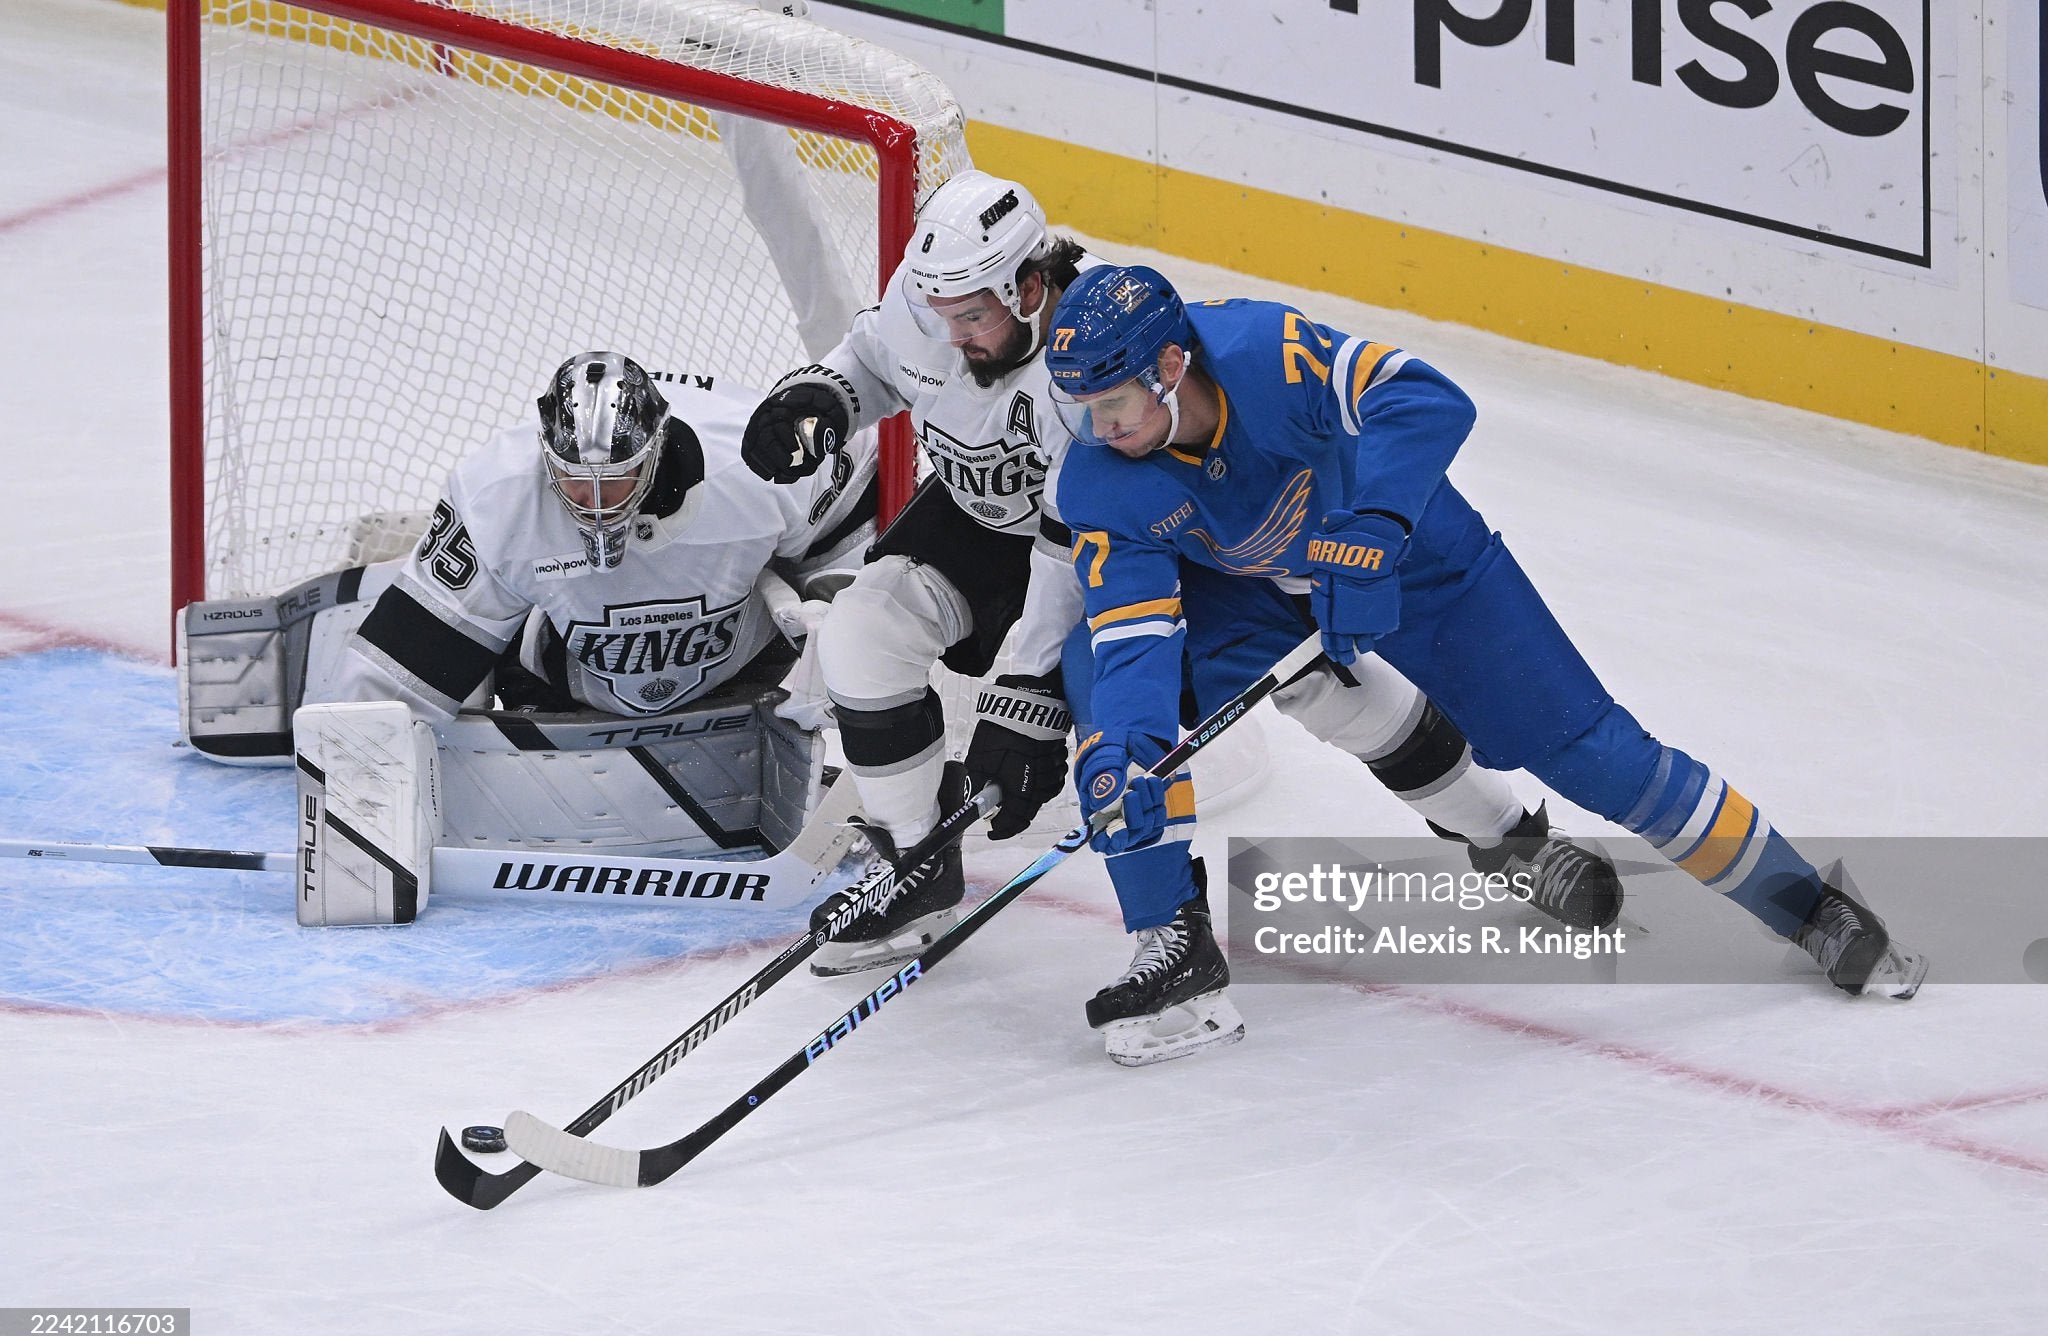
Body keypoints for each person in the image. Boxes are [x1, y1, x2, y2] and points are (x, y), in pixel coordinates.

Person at [739, 170, 1620, 979]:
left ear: (1029, 288)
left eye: (971, 317)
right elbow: (879, 356)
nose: (951, 333)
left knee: (1314, 686)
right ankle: (919, 865)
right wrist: (826, 392)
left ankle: (1506, 834)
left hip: (1115, 542)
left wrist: (1027, 686)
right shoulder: (938, 295)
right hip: (983, 514)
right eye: (940, 312)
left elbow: (1072, 543)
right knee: (863, 634)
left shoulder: (1095, 354)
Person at [1044, 263, 1928, 1063]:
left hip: (1414, 555)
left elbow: (1424, 397)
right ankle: (1172, 935)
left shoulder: (1266, 350)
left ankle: (1805, 902)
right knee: (1105, 702)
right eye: (1082, 409)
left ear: (1170, 367)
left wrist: (1376, 525)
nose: (1098, 429)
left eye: (1112, 404)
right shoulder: (1101, 478)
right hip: (1248, 593)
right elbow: (1132, 633)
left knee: (1596, 755)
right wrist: (1134, 746)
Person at [318, 350, 877, 722]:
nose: (597, 504)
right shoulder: (498, 494)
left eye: (616, 480)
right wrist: (360, 781)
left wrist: (842, 645)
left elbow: (858, 550)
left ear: (655, 450)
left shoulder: (761, 460)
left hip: (747, 681)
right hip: (561, 694)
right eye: (575, 482)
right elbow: (395, 676)